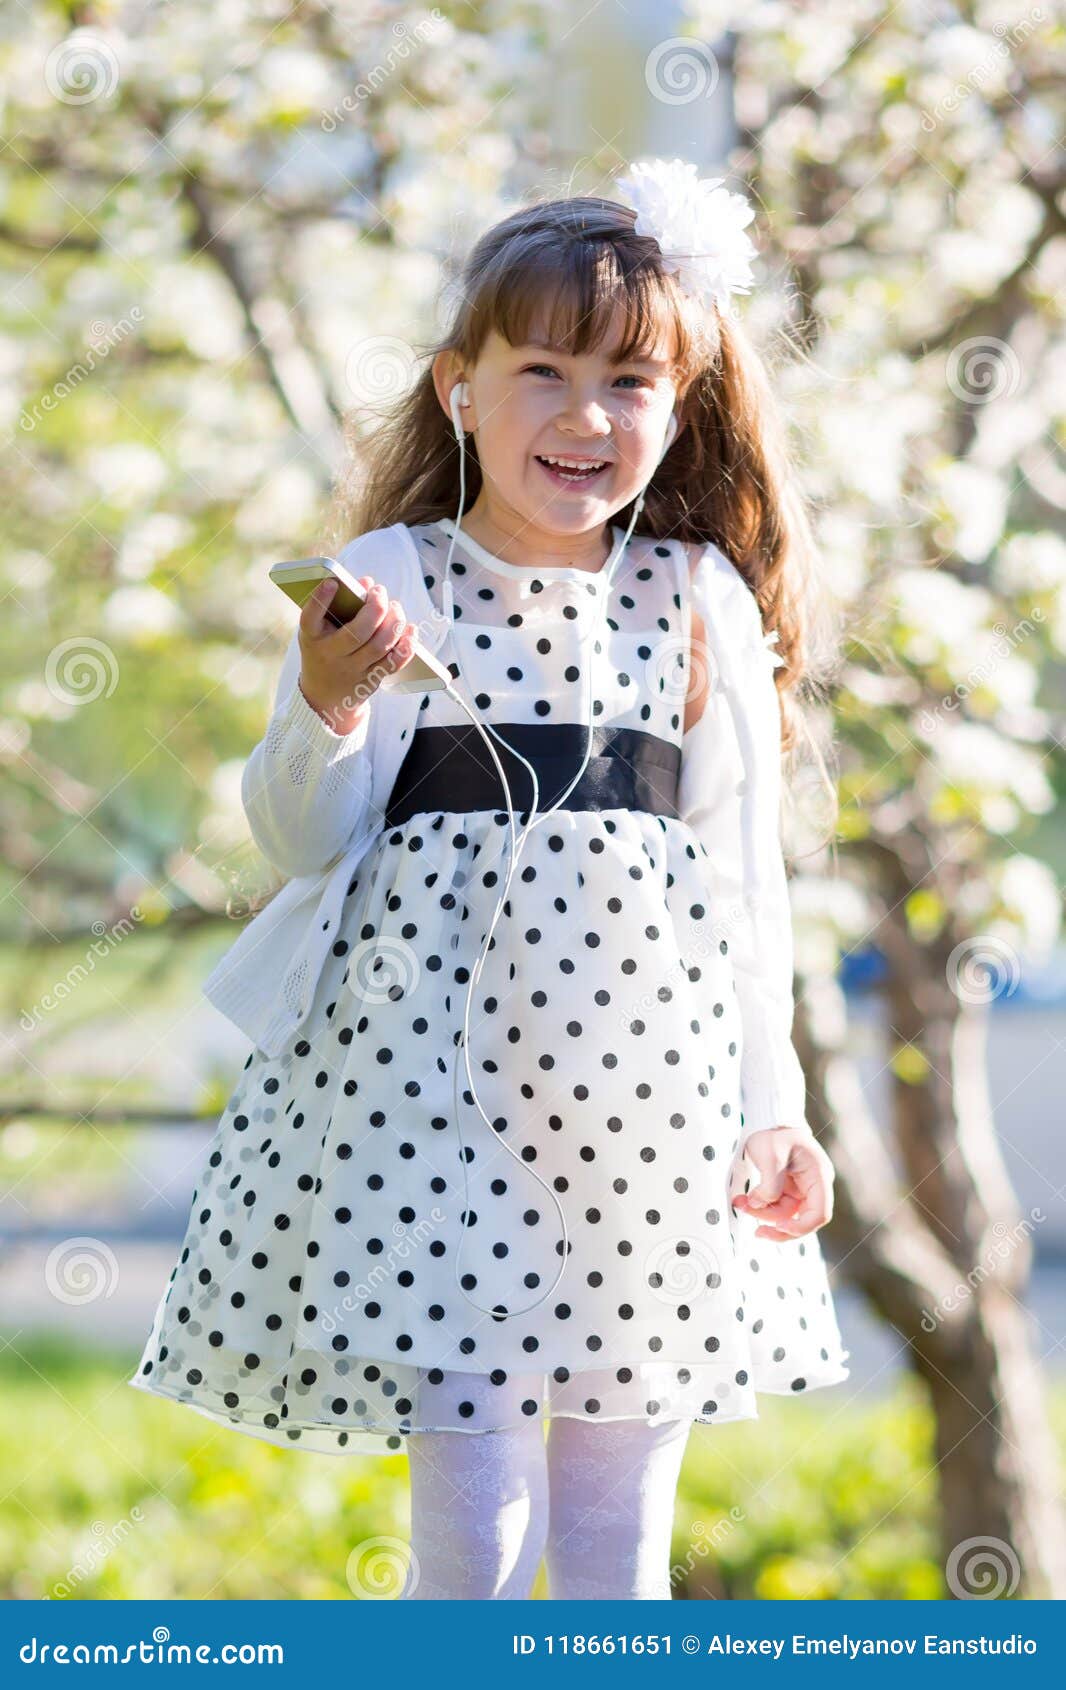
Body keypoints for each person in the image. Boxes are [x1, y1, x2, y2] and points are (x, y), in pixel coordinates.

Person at [128, 157, 850, 1600]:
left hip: (644, 1097)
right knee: (471, 1516)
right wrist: (328, 699)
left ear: (682, 402)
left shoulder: (695, 593)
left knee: (614, 1525)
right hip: (432, 1093)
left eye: (630, 381)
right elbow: (302, 834)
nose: (585, 416)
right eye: (542, 371)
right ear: (461, 386)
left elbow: (741, 881)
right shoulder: (390, 573)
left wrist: (777, 1108)